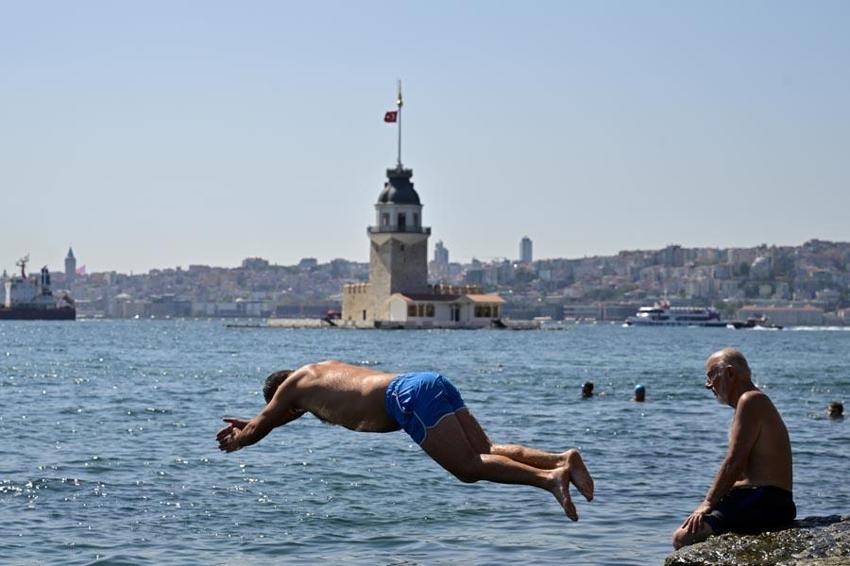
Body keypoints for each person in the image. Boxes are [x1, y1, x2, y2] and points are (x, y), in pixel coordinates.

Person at [216, 360, 594, 521]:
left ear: (281, 396)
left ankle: (549, 479)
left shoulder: (291, 389)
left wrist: (239, 440)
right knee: (487, 451)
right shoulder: (316, 375)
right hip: (424, 382)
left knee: (468, 468)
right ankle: (562, 459)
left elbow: (262, 425)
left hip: (405, 399)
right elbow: (277, 417)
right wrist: (265, 420)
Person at [672, 348, 795, 549]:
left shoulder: (751, 400)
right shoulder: (749, 403)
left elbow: (735, 461)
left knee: (682, 537)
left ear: (730, 373)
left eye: (711, 376)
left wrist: (708, 503)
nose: (707, 385)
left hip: (767, 499)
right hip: (761, 498)